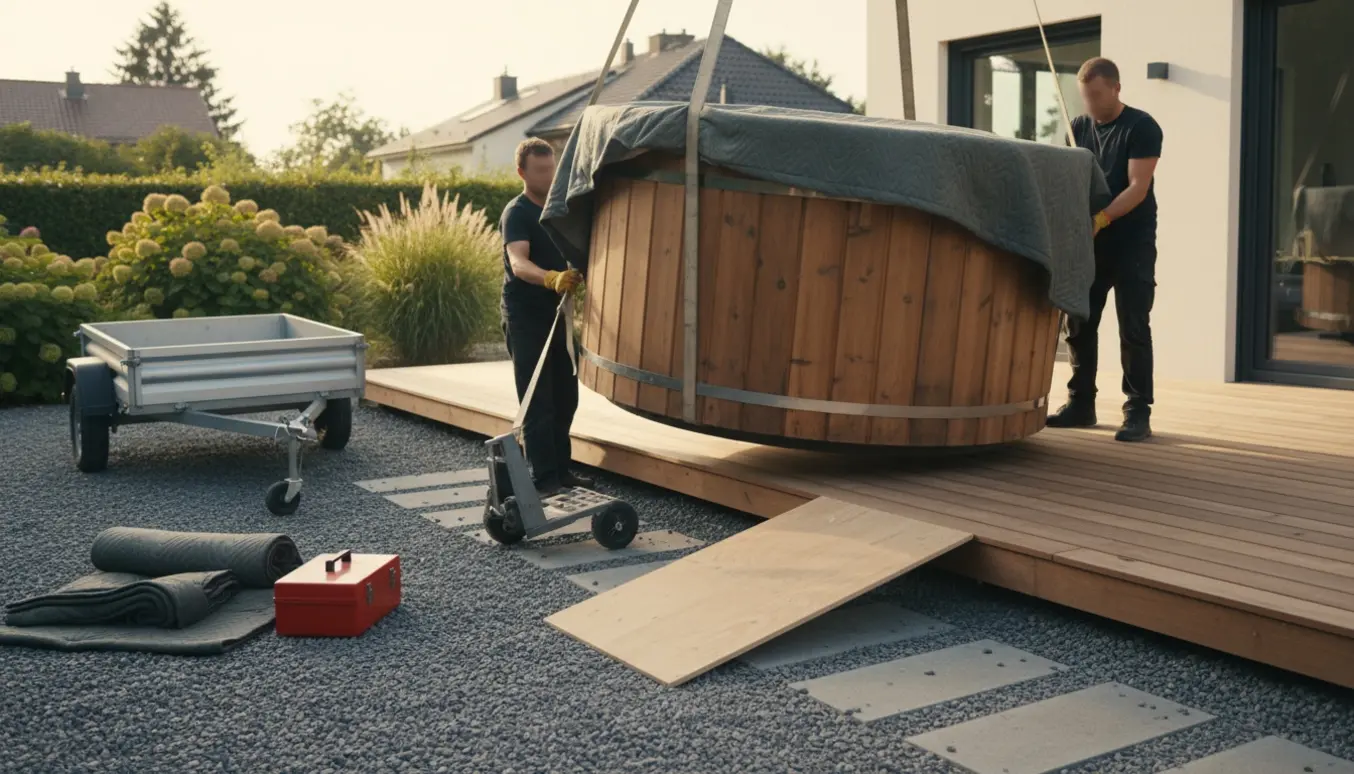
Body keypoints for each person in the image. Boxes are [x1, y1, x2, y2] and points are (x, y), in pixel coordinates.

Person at [1046, 57, 1163, 443]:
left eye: (1096, 95)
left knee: (1133, 326)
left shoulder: (1142, 127)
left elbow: (1137, 187)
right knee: (1079, 323)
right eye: (1084, 97)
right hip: (1089, 243)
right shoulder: (1078, 127)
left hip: (1131, 241)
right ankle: (1081, 404)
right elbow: (1068, 181)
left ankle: (1137, 412)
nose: (1090, 105)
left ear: (1115, 88)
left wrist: (1100, 220)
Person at [500, 137, 592, 495]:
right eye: (540, 170)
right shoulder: (518, 213)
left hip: (558, 315)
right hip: (526, 316)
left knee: (566, 396)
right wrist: (551, 278)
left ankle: (562, 471)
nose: (549, 175)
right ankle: (543, 478)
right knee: (537, 399)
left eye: (552, 168)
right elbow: (519, 263)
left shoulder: (559, 208)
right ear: (522, 172)